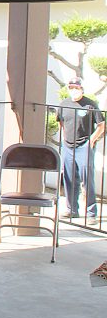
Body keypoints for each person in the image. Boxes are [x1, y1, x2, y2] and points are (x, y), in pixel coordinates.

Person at [57, 77, 105, 225]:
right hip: (68, 146)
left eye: (76, 88)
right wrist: (64, 138)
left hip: (84, 145)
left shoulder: (90, 105)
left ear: (82, 89)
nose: (73, 90)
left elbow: (101, 125)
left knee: (87, 178)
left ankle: (91, 213)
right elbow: (61, 121)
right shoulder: (64, 104)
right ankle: (71, 209)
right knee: (69, 178)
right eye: (71, 87)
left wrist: (91, 140)